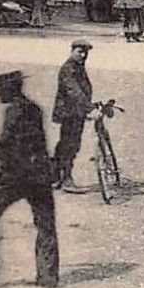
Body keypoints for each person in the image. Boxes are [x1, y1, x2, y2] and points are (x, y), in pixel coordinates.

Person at [0, 71, 59, 288]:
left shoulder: (14, 112)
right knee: (46, 224)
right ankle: (48, 276)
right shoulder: (35, 109)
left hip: (16, 177)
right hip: (40, 175)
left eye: (1, 89)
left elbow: (8, 144)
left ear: (10, 89)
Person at [51, 40, 94, 191]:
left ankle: (55, 177)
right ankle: (66, 179)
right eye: (79, 52)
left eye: (85, 53)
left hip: (75, 111)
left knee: (65, 143)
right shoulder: (68, 68)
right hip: (70, 113)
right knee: (71, 144)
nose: (83, 55)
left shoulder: (78, 67)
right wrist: (89, 109)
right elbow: (73, 91)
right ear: (72, 51)